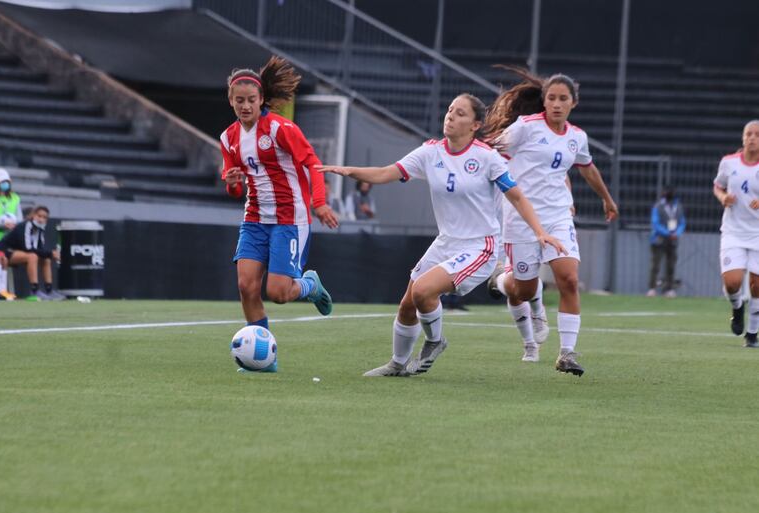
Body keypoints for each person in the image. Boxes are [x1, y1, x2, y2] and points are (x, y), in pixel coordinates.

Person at [319, 93, 565, 377]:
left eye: (460, 113)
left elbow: (518, 197)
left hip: (480, 245)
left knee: (424, 290)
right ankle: (397, 364)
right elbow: (387, 172)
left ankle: (435, 342)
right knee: (407, 305)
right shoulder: (430, 152)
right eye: (450, 110)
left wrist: (540, 232)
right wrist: (350, 171)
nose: (451, 116)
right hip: (446, 242)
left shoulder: (487, 158)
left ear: (474, 125)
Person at [485, 69, 619, 376]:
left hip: (558, 216)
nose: (557, 104)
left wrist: (607, 199)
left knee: (569, 278)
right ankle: (501, 281)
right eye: (551, 98)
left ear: (574, 102)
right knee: (523, 289)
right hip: (520, 218)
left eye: (563, 98)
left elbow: (586, 169)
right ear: (543, 101)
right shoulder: (524, 128)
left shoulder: (577, 137)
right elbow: (492, 151)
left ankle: (567, 353)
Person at [220, 56, 339, 371]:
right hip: (255, 218)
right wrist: (232, 184)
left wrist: (320, 201)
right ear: (231, 101)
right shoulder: (228, 138)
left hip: (289, 219)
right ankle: (263, 359)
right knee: (246, 286)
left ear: (261, 100)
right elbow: (234, 188)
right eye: (239, 101)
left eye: (251, 100)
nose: (246, 106)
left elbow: (312, 162)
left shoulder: (280, 128)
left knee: (278, 293)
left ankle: (310, 285)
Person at [712, 119, 759, 348]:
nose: (752, 138)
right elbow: (718, 186)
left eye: (756, 135)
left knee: (757, 286)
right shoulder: (729, 163)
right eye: (748, 134)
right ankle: (737, 307)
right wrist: (723, 198)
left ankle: (752, 334)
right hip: (733, 232)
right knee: (732, 283)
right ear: (743, 138)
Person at [0, 205, 65, 301]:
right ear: (33, 215)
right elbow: (28, 248)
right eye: (39, 216)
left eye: (44, 217)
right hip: (4, 251)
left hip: (20, 253)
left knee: (46, 259)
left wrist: (49, 254)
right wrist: (50, 253)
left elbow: (40, 249)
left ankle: (49, 291)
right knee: (33, 256)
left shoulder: (41, 229)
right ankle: (34, 291)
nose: (41, 219)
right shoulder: (26, 225)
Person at [647, 186, 686, 298]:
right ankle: (652, 288)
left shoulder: (678, 206)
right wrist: (667, 233)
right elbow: (655, 223)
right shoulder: (658, 206)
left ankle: (669, 289)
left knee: (671, 265)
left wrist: (677, 233)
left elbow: (682, 222)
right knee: (656, 265)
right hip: (658, 239)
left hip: (672, 240)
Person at [0, 168, 22, 247]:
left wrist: (13, 224)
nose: (5, 183)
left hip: (11, 236)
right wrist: (3, 223)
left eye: (7, 181)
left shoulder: (15, 197)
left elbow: (20, 218)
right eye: (2, 182)